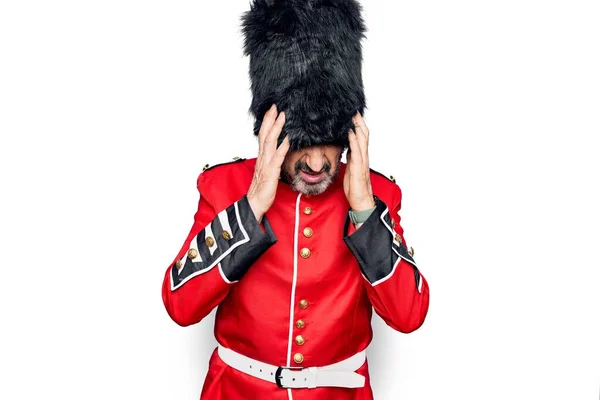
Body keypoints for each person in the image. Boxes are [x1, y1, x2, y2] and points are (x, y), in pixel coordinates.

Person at [161, 1, 430, 399]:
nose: (319, 162)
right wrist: (251, 205)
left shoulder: (378, 196)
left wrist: (364, 210)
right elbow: (180, 305)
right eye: (303, 144)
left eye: (330, 143)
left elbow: (409, 316)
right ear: (271, 125)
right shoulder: (225, 187)